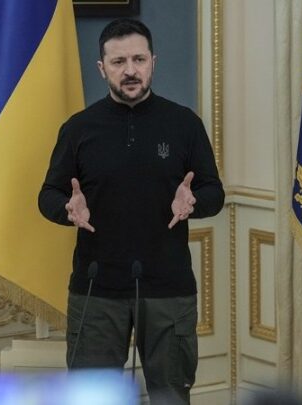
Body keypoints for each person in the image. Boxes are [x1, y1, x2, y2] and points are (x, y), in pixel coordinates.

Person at [38, 18, 224, 404]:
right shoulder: (79, 128)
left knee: (171, 395)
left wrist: (193, 203)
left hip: (168, 287)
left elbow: (214, 192)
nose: (130, 70)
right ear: (102, 68)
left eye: (139, 59)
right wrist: (67, 209)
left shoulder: (184, 123)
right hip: (97, 287)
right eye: (118, 61)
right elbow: (48, 195)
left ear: (153, 62)